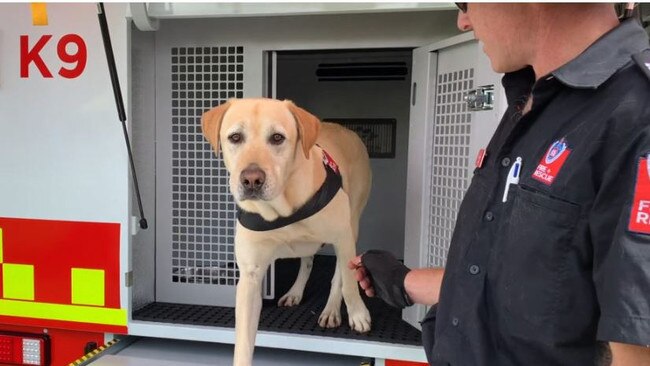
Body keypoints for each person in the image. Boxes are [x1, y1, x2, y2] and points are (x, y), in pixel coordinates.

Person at [349, 3, 650, 365]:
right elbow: (522, 280)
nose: (463, 21)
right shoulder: (530, 101)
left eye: (464, 2)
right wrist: (403, 281)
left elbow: (636, 350)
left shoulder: (636, 118)